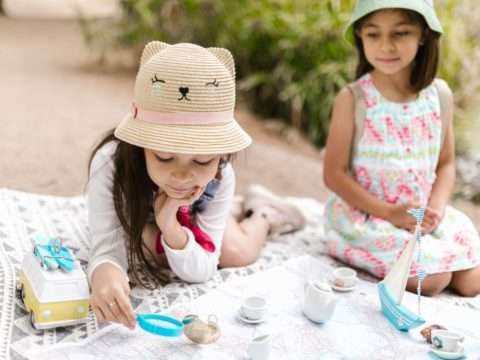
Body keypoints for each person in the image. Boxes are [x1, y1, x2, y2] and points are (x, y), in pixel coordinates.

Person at [87, 42, 306, 329]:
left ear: (220, 156)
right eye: (164, 156)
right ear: (140, 145)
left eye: (202, 160)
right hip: (145, 218)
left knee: (237, 254)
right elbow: (107, 246)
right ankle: (233, 209)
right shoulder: (110, 164)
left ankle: (263, 212)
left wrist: (172, 227)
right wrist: (106, 271)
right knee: (137, 248)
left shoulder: (221, 177)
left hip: (192, 217)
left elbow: (203, 269)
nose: (181, 176)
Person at [323, 0, 480, 298]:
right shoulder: (354, 98)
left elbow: (446, 164)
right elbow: (333, 174)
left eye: (400, 33)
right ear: (360, 36)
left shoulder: (439, 95)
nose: (386, 46)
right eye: (373, 34)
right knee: (433, 279)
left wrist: (436, 208)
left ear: (422, 34)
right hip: (371, 216)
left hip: (423, 215)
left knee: (472, 282)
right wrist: (389, 213)